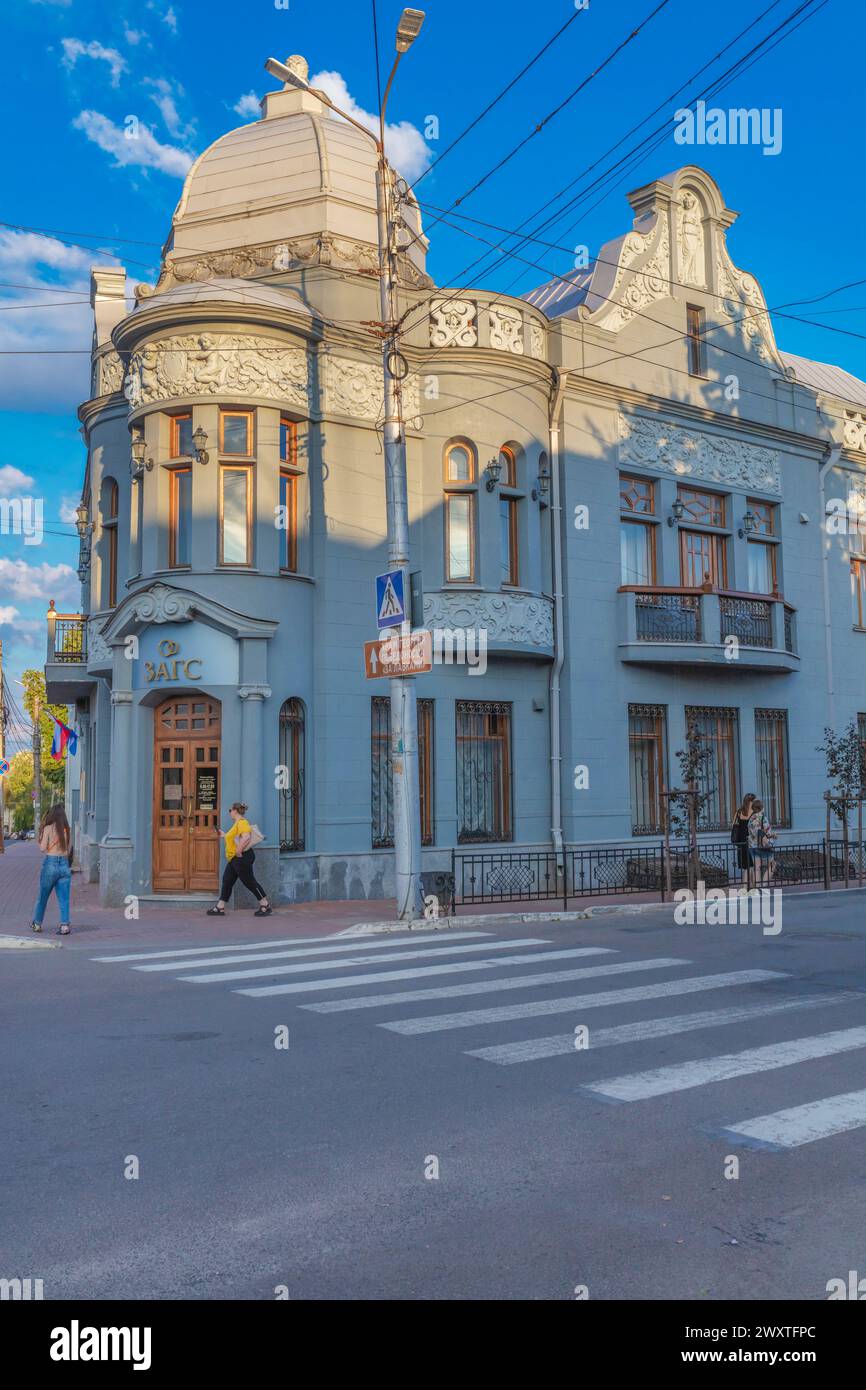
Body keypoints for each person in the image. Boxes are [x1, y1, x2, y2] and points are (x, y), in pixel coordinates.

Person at [207, 802, 271, 917]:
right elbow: (235, 838)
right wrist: (224, 835)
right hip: (234, 858)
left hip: (241, 857)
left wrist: (239, 850)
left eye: (230, 810)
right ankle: (220, 907)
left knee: (249, 881)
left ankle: (265, 905)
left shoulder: (242, 822)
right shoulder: (237, 823)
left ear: (235, 811)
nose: (230, 813)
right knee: (227, 880)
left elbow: (246, 837)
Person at [29, 804, 72, 935]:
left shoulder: (48, 828)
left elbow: (42, 848)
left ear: (52, 815)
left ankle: (37, 924)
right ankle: (65, 926)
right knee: (64, 899)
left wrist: (42, 837)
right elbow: (68, 849)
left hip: (50, 864)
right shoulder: (66, 829)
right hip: (64, 865)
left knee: (42, 897)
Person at [747, 798, 776, 886]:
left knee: (757, 868)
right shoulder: (763, 818)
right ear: (762, 807)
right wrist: (774, 835)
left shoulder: (751, 819)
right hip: (764, 846)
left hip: (752, 846)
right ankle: (764, 885)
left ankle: (757, 888)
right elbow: (767, 833)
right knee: (772, 865)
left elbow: (751, 833)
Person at [731, 792, 756, 887]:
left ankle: (745, 888)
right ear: (751, 802)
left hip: (741, 843)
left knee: (746, 867)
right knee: (752, 867)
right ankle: (753, 887)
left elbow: (734, 826)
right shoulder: (754, 813)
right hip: (751, 842)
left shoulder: (738, 812)